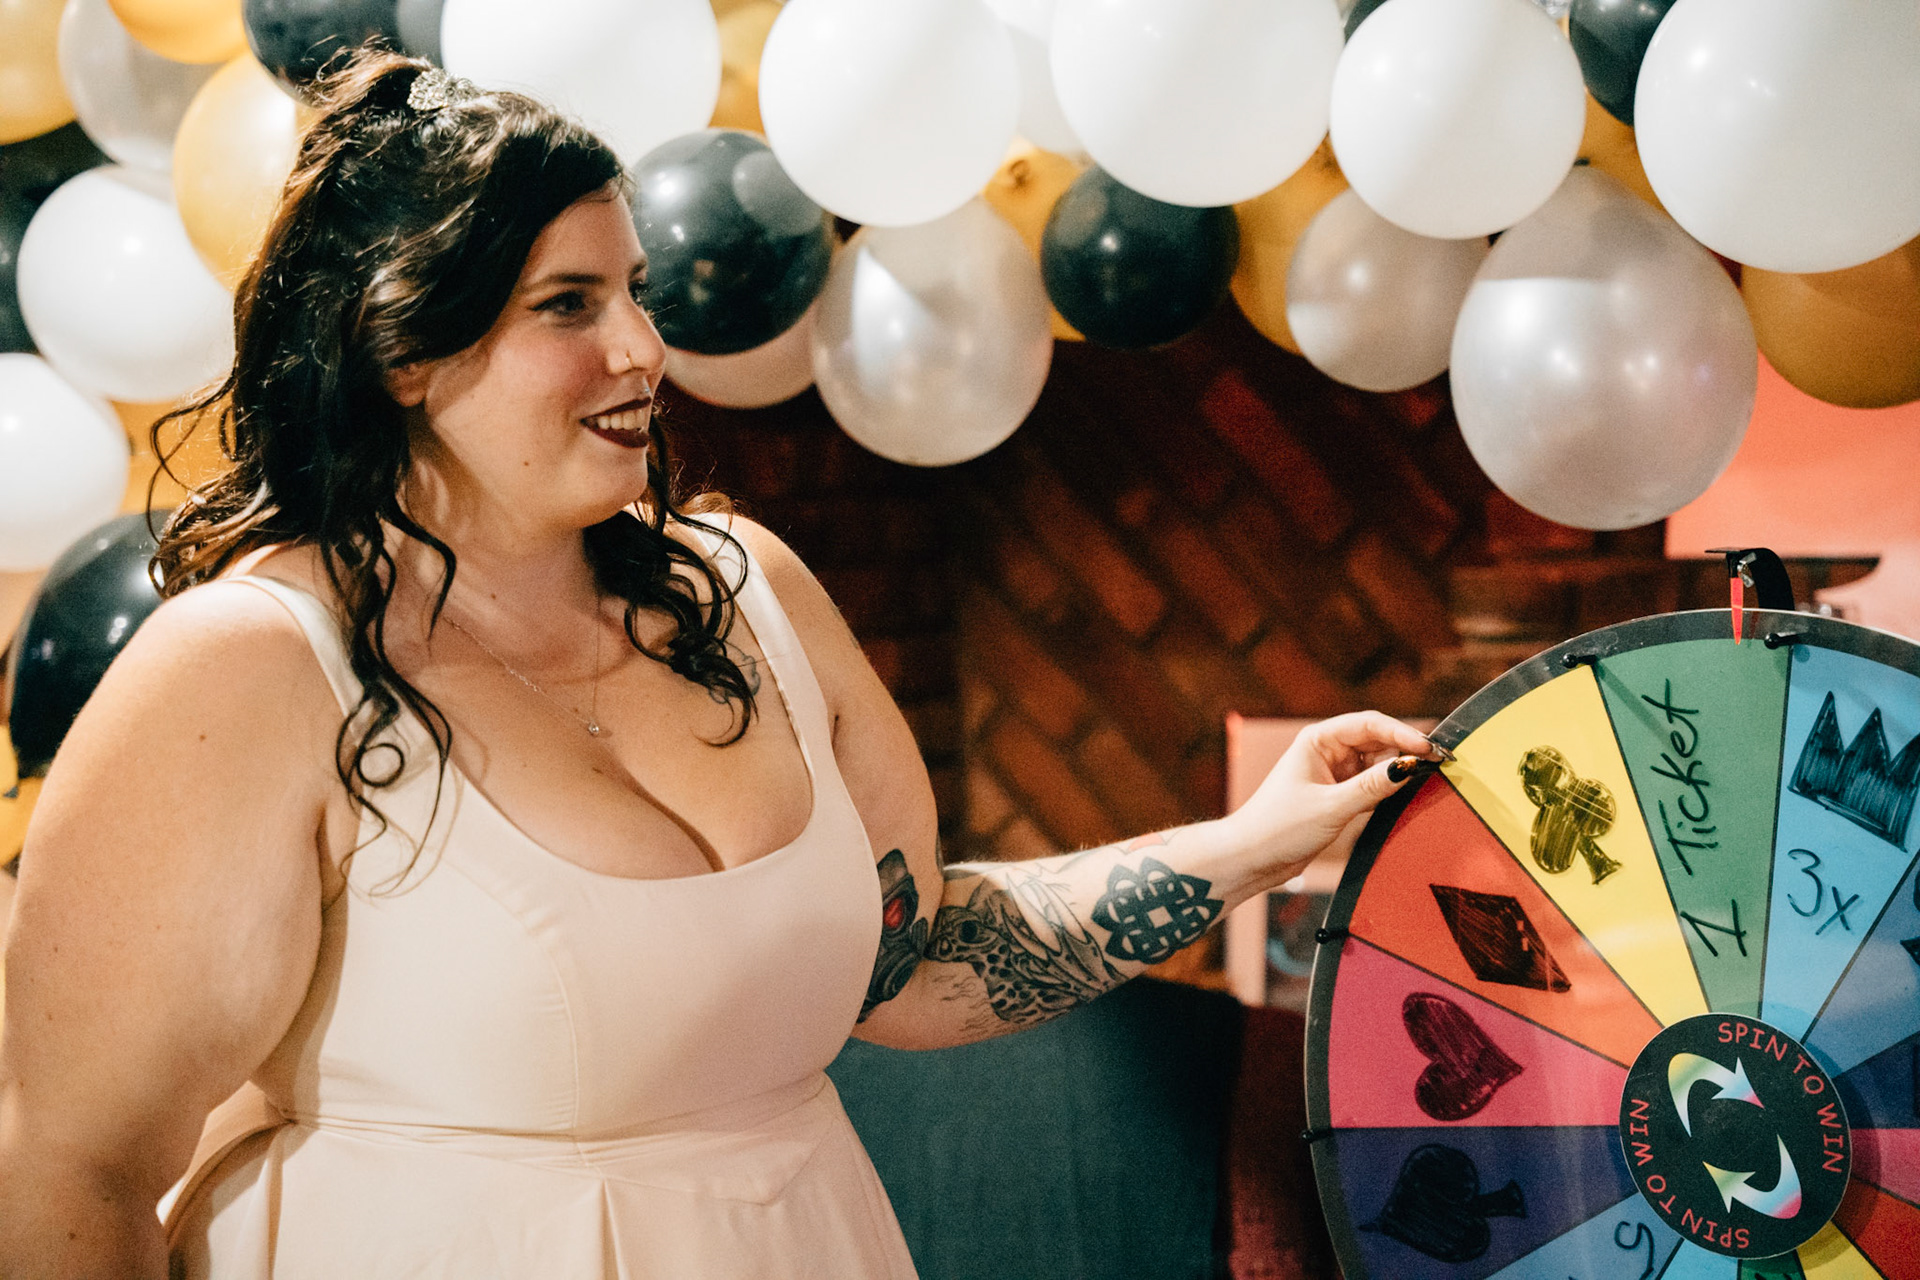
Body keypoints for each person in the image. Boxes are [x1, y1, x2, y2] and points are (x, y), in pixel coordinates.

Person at [0, 50, 1437, 1280]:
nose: (643, 347)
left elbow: (912, 963)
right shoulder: (249, 671)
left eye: (634, 291)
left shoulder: (745, 589)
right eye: (568, 304)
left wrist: (1255, 844)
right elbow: (66, 1172)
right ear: (401, 350)